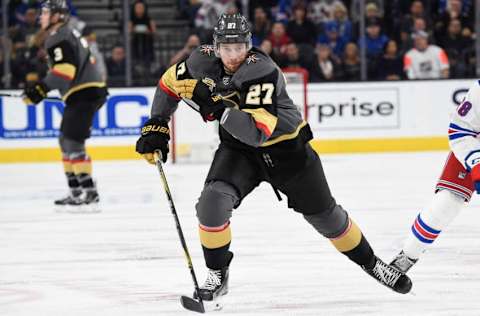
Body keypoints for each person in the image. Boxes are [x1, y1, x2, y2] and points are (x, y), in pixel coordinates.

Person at [136, 13, 412, 301]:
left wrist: (218, 108)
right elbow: (169, 84)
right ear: (215, 48)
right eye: (227, 48)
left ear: (249, 46)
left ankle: (372, 264)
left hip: (286, 151)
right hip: (239, 151)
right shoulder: (199, 60)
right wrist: (157, 124)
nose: (234, 55)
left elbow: (258, 133)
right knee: (211, 203)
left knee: (327, 219)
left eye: (240, 48)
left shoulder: (261, 70)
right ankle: (217, 273)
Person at [22, 0, 108, 210]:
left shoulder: (57, 37)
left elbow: (65, 72)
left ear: (56, 16)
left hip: (84, 93)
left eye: (44, 13)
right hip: (85, 91)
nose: (41, 17)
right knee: (65, 140)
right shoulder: (67, 33)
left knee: (72, 141)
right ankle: (77, 189)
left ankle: (88, 192)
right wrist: (42, 88)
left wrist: (39, 89)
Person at [391, 80, 480, 273]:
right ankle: (406, 257)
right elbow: (460, 130)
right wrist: (476, 163)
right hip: (475, 145)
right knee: (448, 202)